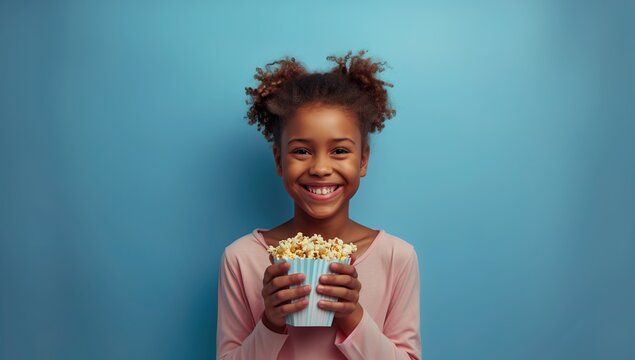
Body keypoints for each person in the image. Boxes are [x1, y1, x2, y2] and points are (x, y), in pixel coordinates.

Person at [216, 50, 421, 359]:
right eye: (301, 151)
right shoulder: (241, 259)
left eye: (339, 151)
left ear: (363, 160)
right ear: (279, 160)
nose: (320, 168)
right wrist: (271, 322)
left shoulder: (397, 258)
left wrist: (351, 316)